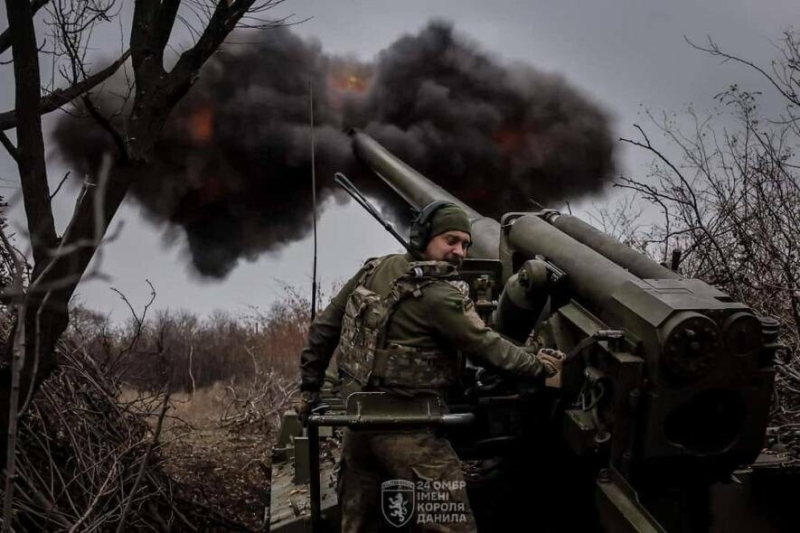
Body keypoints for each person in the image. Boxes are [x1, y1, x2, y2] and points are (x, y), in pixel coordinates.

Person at [297, 201, 563, 532]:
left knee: (359, 524)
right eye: (450, 240)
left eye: (465, 244)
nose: (459, 251)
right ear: (423, 237)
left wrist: (309, 387)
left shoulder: (372, 270)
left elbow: (325, 328)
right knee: (452, 525)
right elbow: (488, 349)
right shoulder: (440, 296)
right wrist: (539, 367)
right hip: (410, 433)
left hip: (359, 426)